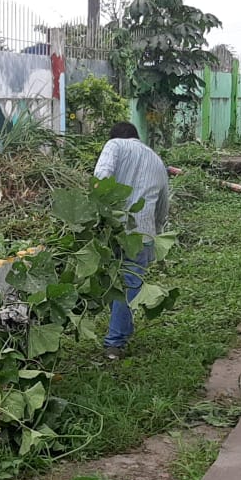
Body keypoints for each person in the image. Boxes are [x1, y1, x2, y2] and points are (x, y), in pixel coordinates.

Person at [93, 121, 171, 360]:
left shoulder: (114, 145)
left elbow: (101, 176)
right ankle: (120, 336)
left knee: (112, 282)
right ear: (137, 137)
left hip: (113, 228)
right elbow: (163, 205)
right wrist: (156, 234)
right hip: (143, 234)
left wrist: (97, 212)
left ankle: (115, 342)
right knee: (130, 285)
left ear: (114, 136)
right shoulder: (157, 160)